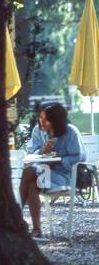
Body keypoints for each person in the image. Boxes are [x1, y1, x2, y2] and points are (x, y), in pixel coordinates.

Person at [19, 101, 84, 238]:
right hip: (43, 172)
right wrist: (41, 151)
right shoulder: (38, 130)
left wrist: (59, 160)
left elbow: (80, 156)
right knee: (31, 184)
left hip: (64, 176)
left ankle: (16, 217)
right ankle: (36, 230)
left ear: (56, 120)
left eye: (46, 119)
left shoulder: (70, 132)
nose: (42, 122)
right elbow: (30, 151)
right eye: (40, 117)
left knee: (29, 172)